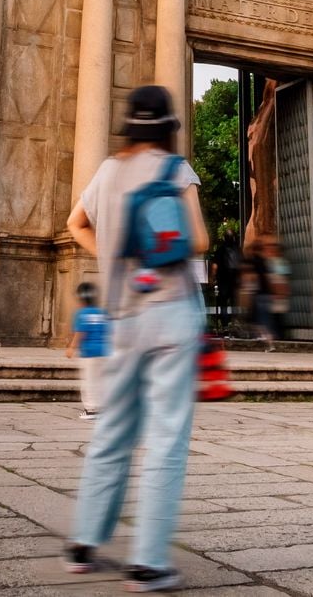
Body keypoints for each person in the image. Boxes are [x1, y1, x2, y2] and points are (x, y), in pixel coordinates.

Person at [63, 85, 208, 593]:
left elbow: (75, 224)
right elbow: (200, 239)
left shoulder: (107, 171)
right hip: (172, 313)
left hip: (121, 316)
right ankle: (148, 562)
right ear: (167, 127)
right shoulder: (176, 170)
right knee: (167, 436)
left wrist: (112, 254)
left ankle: (84, 542)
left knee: (112, 430)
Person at [70, 281, 110, 418]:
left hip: (89, 353)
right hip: (105, 352)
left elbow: (80, 332)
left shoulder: (81, 314)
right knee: (101, 381)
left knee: (89, 381)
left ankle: (91, 409)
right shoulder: (102, 313)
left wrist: (72, 347)